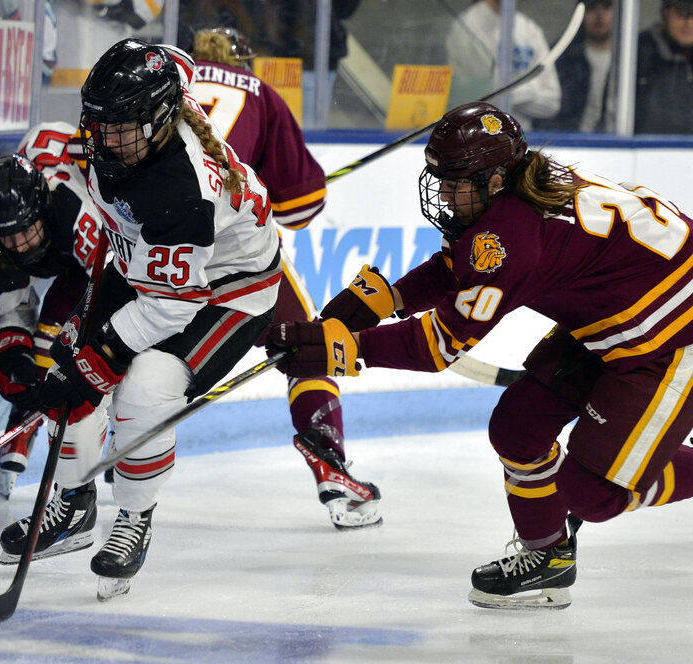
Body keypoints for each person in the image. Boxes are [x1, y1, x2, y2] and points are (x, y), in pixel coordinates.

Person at [268, 101, 693, 610]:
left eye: (455, 183)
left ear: (494, 180)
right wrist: (384, 301)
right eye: (440, 180)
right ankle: (548, 558)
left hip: (672, 339)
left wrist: (345, 350)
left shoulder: (513, 236)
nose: (444, 195)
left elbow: (437, 347)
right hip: (616, 324)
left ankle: (615, 479)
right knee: (518, 427)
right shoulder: (521, 189)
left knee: (590, 494)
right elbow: (460, 263)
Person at [0, 38, 282, 601]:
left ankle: (134, 516)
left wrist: (103, 358)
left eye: (119, 127)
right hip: (147, 266)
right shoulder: (134, 129)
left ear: (157, 122)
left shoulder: (181, 190)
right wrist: (85, 358)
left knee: (147, 385)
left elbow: (172, 307)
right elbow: (177, 60)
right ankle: (75, 501)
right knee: (69, 362)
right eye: (97, 123)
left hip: (228, 292)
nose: (103, 138)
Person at [188, 27, 380, 529]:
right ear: (241, 58)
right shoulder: (260, 92)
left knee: (126, 341)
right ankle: (329, 462)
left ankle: (100, 458)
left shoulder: (170, 82)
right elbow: (299, 208)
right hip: (234, 248)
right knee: (306, 345)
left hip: (157, 245)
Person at [0, 125, 102, 501]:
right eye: (8, 238)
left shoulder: (79, 217)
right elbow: (11, 313)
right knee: (31, 361)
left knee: (67, 340)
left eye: (27, 231)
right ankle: (23, 423)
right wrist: (18, 362)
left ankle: (100, 437)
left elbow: (115, 293)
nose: (19, 245)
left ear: (43, 209)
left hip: (108, 250)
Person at [445, 0, 561, 130]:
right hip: (480, 136)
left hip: (524, 137)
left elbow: (552, 103)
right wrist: (532, 89)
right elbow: (489, 94)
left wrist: (509, 92)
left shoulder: (529, 28)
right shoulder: (467, 26)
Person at [534, 0, 615, 133]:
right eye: (591, 8)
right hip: (569, 143)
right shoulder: (560, 57)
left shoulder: (632, 59)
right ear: (580, 14)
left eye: (606, 7)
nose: (599, 15)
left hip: (613, 144)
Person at [635, 0, 693, 134]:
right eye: (682, 12)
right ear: (665, 12)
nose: (688, 22)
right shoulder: (638, 53)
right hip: (645, 150)